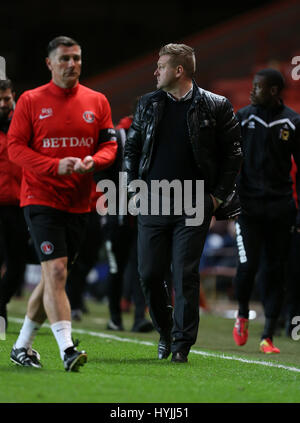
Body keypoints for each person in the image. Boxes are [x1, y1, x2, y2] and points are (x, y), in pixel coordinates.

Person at [124, 43, 242, 363]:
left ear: (178, 71)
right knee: (149, 274)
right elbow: (132, 150)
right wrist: (133, 190)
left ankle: (181, 345)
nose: (155, 71)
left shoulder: (216, 106)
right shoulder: (147, 104)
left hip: (194, 202)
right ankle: (165, 332)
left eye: (160, 66)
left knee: (185, 274)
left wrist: (217, 197)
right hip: (152, 200)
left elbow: (233, 155)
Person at [7, 36, 117, 371]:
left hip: (79, 202)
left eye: (77, 58)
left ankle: (22, 346)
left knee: (53, 275)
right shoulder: (30, 100)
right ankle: (67, 348)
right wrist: (55, 166)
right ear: (50, 64)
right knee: (55, 271)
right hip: (40, 198)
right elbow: (16, 149)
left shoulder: (97, 101)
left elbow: (109, 147)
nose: (72, 64)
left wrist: (93, 162)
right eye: (65, 59)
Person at [232, 68, 300, 353]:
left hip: (280, 208)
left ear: (273, 91)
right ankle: (242, 312)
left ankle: (268, 335)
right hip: (248, 208)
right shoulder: (244, 117)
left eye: (258, 87)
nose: (252, 90)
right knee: (248, 266)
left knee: (275, 269)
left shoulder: (293, 123)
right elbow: (231, 159)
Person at [102, 115, 153, 333]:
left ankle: (139, 317)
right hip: (117, 217)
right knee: (117, 269)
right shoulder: (116, 137)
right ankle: (115, 317)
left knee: (142, 268)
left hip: (143, 217)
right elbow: (101, 169)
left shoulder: (153, 136)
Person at [0, 79, 30, 327]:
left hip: (20, 205)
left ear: (13, 97)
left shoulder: (23, 124)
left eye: (7, 98)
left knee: (18, 266)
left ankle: (0, 304)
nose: (3, 103)